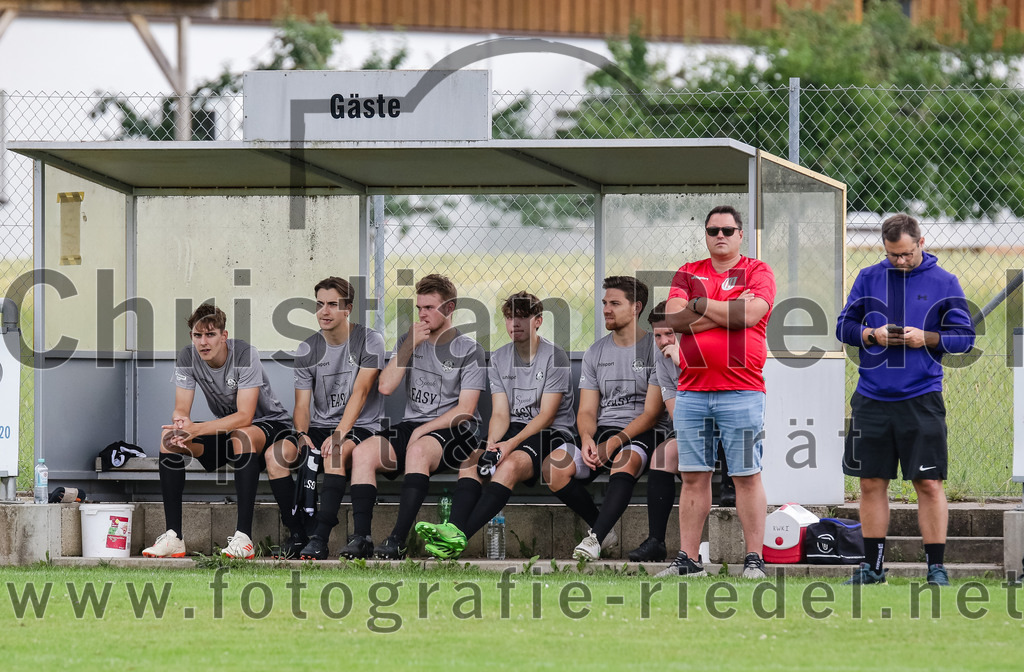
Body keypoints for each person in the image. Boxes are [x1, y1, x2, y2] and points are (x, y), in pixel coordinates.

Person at [836, 214, 975, 586]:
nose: (900, 260)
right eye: (893, 254)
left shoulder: (944, 282)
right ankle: (873, 567)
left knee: (928, 484)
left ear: (921, 243)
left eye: (906, 254)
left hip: (921, 397)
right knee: (870, 483)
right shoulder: (868, 277)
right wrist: (871, 334)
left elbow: (964, 338)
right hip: (871, 397)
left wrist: (926, 338)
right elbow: (843, 327)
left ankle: (936, 568)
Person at [658, 205, 775, 579]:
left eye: (727, 230)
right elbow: (675, 318)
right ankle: (689, 560)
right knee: (693, 476)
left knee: (746, 476)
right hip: (692, 391)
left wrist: (703, 306)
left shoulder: (757, 271)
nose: (720, 236)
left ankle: (754, 559)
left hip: (741, 389)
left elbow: (751, 315)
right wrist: (727, 311)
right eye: (713, 231)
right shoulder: (688, 272)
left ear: (741, 234)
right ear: (705, 235)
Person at [413, 291, 576, 559]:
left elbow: (547, 415)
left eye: (522, 318)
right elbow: (500, 413)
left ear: (538, 321)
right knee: (471, 462)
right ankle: (453, 532)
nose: (515, 324)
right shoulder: (500, 358)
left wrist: (508, 446)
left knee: (508, 466)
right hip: (514, 430)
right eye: (510, 318)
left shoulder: (554, 357)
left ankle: (458, 535)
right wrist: (492, 444)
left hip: (551, 433)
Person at [342, 273, 487, 559]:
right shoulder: (408, 341)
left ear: (449, 308)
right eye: (419, 308)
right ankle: (362, 538)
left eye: (430, 308)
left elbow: (466, 410)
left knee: (418, 450)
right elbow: (384, 386)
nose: (422, 314)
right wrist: (409, 345)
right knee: (363, 453)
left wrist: (423, 431)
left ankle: (397, 539)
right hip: (413, 424)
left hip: (457, 429)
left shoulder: (469, 350)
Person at [142, 303, 294, 559]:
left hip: (271, 426)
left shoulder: (244, 354)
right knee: (169, 439)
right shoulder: (187, 357)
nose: (203, 342)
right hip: (229, 431)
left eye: (210, 334)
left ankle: (243, 539)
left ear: (224, 336)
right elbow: (181, 408)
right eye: (197, 335)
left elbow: (246, 416)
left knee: (242, 433)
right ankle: (174, 537)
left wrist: (197, 428)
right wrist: (181, 424)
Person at [542, 276, 667, 562]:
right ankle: (603, 527)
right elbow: (586, 411)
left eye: (614, 303)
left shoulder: (654, 347)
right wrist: (587, 438)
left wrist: (614, 443)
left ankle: (594, 539)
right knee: (553, 468)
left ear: (635, 307)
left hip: (640, 433)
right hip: (602, 432)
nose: (606, 309)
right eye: (604, 303)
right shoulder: (596, 352)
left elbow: (652, 413)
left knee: (624, 460)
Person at [261, 277, 386, 560]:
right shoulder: (307, 349)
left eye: (332, 304)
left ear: (348, 309)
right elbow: (302, 405)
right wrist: (303, 434)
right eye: (319, 304)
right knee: (275, 455)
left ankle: (320, 537)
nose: (324, 311)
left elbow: (362, 391)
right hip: (318, 427)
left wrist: (340, 433)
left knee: (335, 454)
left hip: (360, 426)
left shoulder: (369, 340)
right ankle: (297, 535)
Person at [626, 300, 682, 562]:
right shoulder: (662, 360)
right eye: (658, 335)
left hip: (720, 429)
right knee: (661, 457)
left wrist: (682, 361)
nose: (662, 341)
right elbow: (674, 413)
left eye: (669, 333)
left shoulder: (703, 353)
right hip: (686, 429)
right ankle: (656, 542)